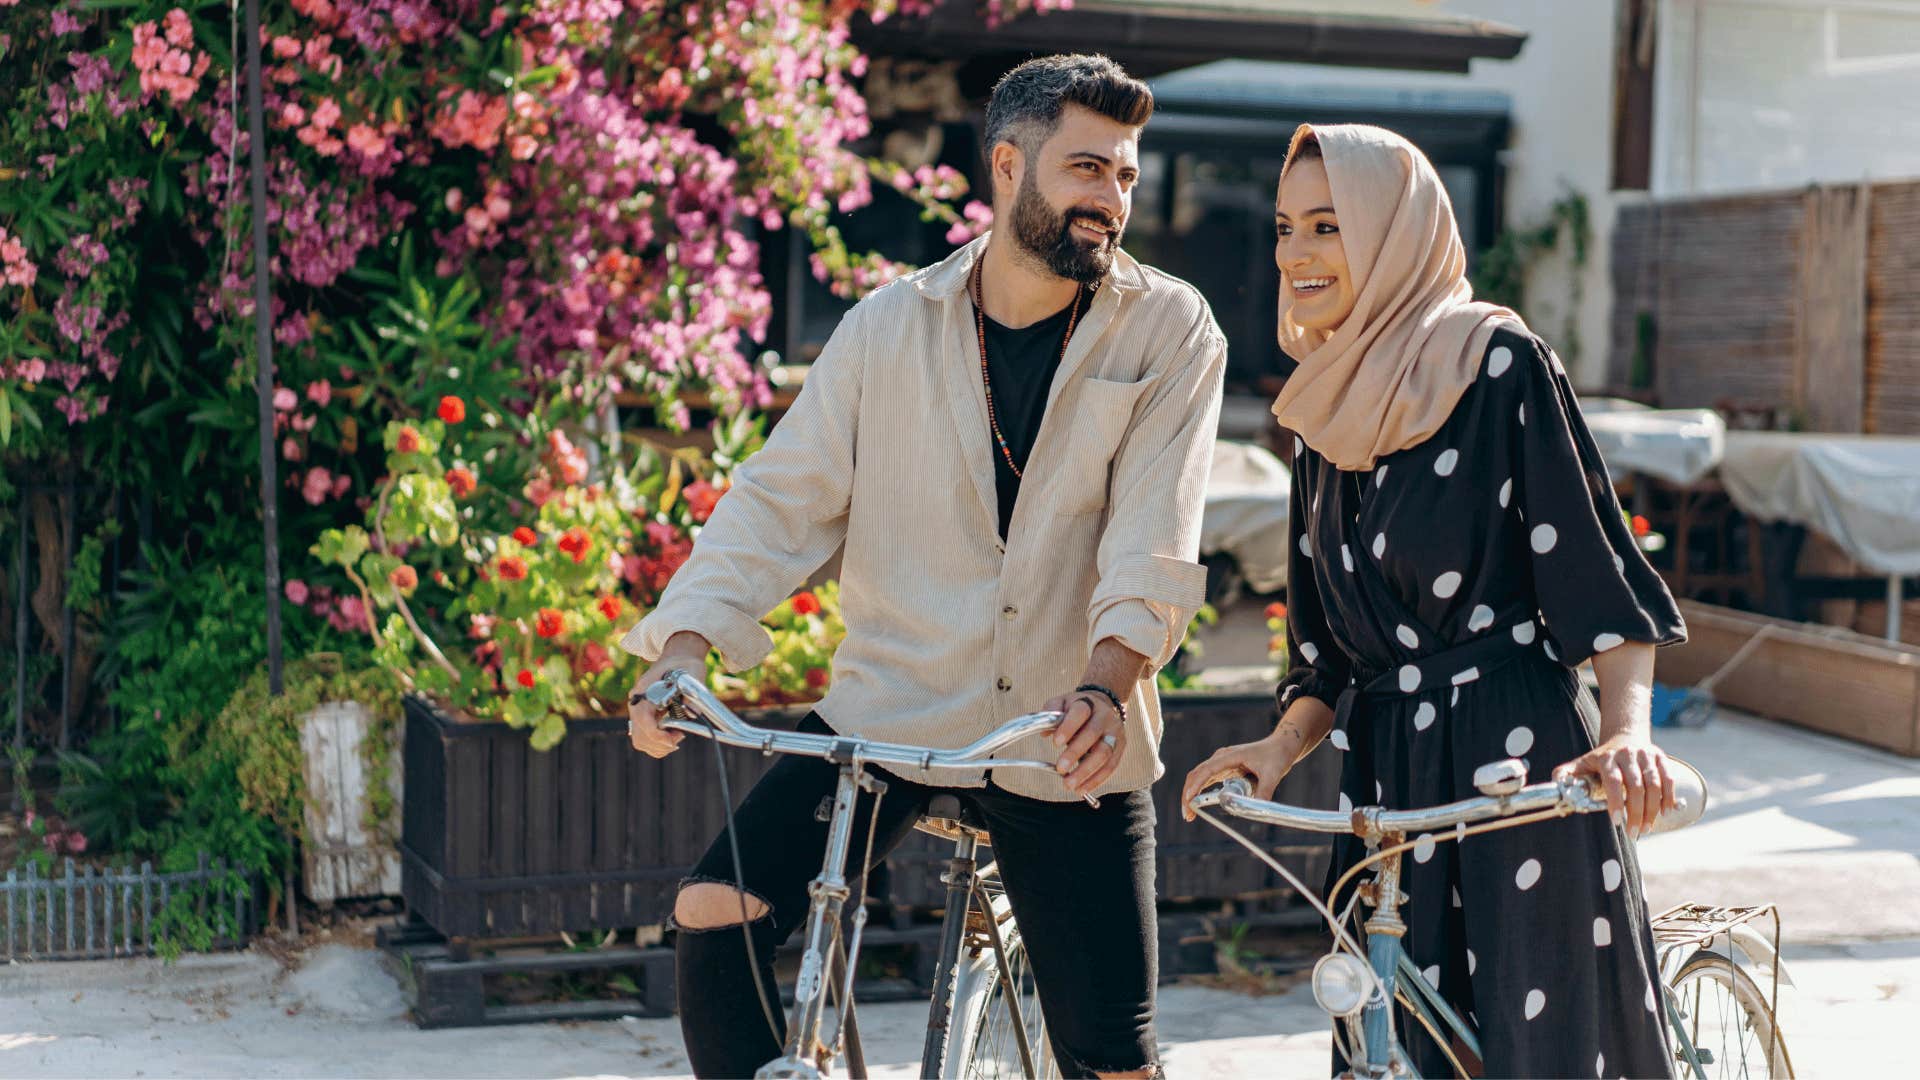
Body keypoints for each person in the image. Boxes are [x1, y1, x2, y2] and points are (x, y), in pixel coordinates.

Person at [623, 53, 1226, 1079]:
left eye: (1125, 176)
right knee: (714, 912)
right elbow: (779, 503)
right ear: (1007, 164)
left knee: (1113, 1059)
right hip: (890, 716)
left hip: (1062, 726)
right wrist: (682, 653)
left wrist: (1106, 687)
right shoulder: (887, 327)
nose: (1111, 200)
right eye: (1087, 169)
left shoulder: (1171, 329)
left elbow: (1152, 540)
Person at [1181, 123, 1685, 1077]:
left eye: (1328, 225)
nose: (1297, 252)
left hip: (1520, 774)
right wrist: (1275, 751)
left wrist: (1626, 735)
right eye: (1287, 227)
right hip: (1386, 785)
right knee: (1388, 1043)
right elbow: (1327, 651)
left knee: (1537, 1050)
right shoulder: (1318, 410)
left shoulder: (1500, 366)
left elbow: (1599, 585)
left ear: (1394, 231)